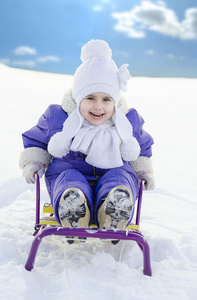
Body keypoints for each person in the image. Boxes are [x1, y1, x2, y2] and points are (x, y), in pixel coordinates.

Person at [19, 39, 155, 232]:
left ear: (115, 102)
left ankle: (114, 207)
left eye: (106, 99)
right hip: (68, 174)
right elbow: (36, 141)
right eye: (90, 98)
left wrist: (143, 170)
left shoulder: (127, 123)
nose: (98, 106)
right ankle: (73, 207)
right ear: (77, 98)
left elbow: (142, 150)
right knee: (68, 177)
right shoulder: (59, 118)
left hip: (113, 173)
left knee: (121, 176)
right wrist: (34, 162)